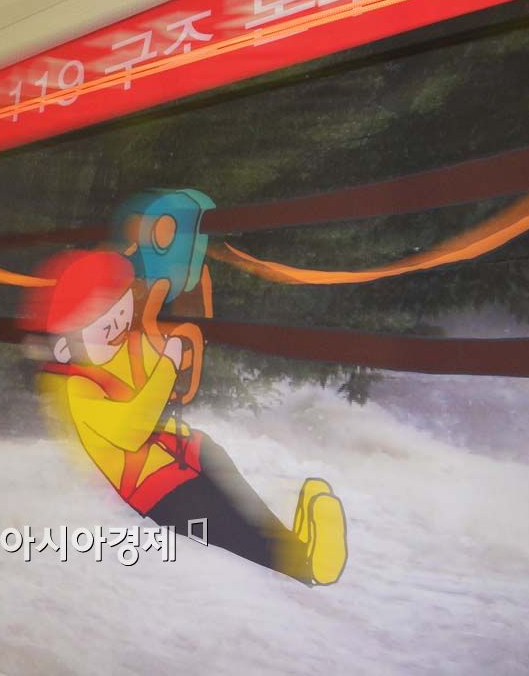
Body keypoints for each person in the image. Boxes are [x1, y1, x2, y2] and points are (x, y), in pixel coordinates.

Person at [23, 250, 346, 585]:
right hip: (154, 488)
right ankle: (308, 566)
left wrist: (163, 350)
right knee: (228, 526)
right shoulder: (76, 389)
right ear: (67, 342)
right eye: (99, 318)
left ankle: (299, 546)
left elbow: (153, 371)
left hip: (189, 450)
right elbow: (129, 430)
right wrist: (167, 366)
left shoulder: (121, 348)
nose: (117, 321)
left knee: (244, 511)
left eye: (117, 306)